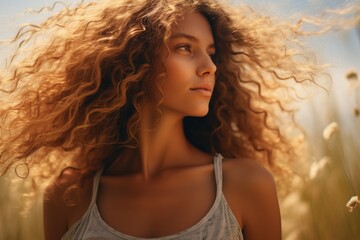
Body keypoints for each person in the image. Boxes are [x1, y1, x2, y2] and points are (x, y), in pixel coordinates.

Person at [1, 0, 340, 239]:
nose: (209, 67)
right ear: (134, 58)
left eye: (211, 52)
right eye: (184, 48)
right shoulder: (69, 195)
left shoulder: (246, 185)